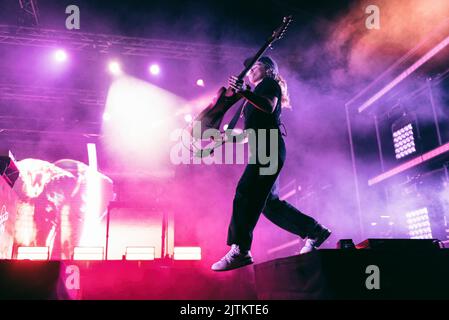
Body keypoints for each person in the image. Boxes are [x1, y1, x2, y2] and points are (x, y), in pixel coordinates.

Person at [211, 56, 331, 272]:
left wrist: (243, 92)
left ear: (267, 69)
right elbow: (250, 133)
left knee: (246, 192)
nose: (249, 71)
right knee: (270, 205)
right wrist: (224, 138)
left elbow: (268, 106)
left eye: (253, 66)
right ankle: (315, 231)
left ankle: (240, 250)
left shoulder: (269, 84)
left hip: (269, 147)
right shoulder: (254, 95)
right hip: (266, 147)